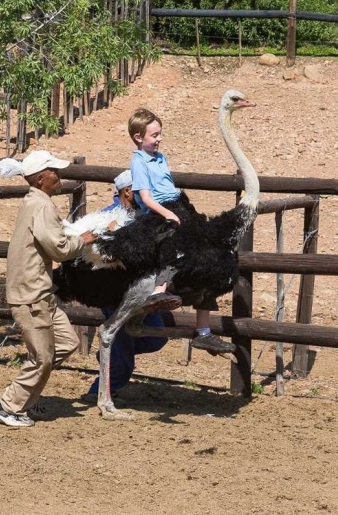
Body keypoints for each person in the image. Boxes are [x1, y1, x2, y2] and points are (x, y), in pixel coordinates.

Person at [0, 150, 97, 427]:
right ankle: (7, 405)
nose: (58, 176)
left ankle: (26, 399)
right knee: (43, 357)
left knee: (67, 343)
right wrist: (83, 240)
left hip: (39, 292)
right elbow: (59, 249)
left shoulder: (35, 201)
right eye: (53, 172)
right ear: (39, 179)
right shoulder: (42, 206)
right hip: (31, 294)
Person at [127, 107, 235, 355]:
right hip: (158, 211)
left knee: (211, 255)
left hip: (177, 204)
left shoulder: (160, 158)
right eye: (154, 135)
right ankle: (158, 292)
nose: (159, 139)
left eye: (159, 134)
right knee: (177, 242)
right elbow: (144, 196)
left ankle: (204, 333)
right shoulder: (138, 161)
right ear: (138, 137)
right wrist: (167, 214)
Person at [82, 170, 168, 403]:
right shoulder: (107, 218)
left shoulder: (143, 216)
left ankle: (111, 355)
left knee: (156, 338)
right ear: (128, 191)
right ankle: (99, 391)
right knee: (122, 345)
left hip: (140, 290)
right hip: (115, 290)